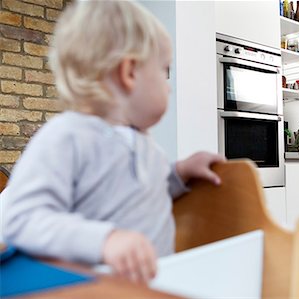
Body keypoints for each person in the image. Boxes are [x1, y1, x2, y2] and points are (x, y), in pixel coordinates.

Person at [2, 0, 224, 284]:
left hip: (155, 284)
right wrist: (104, 241)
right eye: (164, 70)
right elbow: (21, 219)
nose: (168, 86)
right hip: (91, 288)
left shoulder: (144, 143)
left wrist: (179, 173)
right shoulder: (66, 137)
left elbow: (139, 194)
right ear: (129, 72)